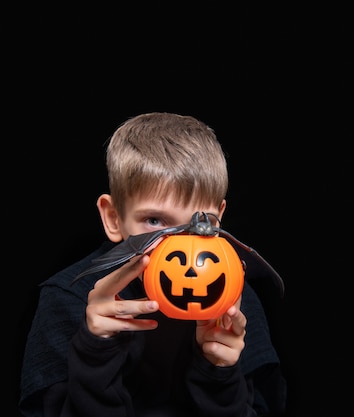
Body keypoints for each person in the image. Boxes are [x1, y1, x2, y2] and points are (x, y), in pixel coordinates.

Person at [19, 112, 287, 417]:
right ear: (113, 218)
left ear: (219, 218)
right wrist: (94, 353)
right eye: (155, 221)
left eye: (200, 223)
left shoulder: (233, 302)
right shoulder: (68, 298)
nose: (181, 245)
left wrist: (220, 372)